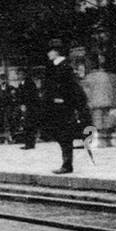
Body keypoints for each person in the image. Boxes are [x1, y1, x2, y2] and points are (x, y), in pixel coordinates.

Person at [43, 41, 90, 174]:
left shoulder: (64, 67)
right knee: (61, 134)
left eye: (50, 51)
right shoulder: (55, 66)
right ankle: (66, 163)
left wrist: (63, 100)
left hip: (64, 107)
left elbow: (71, 88)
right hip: (56, 106)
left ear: (56, 52)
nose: (48, 54)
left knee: (64, 135)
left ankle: (67, 164)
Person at [16, 70, 40, 150]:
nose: (19, 76)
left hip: (31, 108)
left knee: (30, 126)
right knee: (25, 126)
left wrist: (26, 105)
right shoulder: (20, 85)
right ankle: (28, 143)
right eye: (18, 74)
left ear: (24, 75)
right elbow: (19, 96)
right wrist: (21, 105)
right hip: (24, 108)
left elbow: (32, 96)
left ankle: (30, 144)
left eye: (20, 74)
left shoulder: (30, 84)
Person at [0, 75, 15, 144]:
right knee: (0, 123)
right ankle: (1, 138)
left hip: (8, 107)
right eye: (1, 80)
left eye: (4, 79)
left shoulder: (10, 88)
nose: (2, 81)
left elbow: (12, 97)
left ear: (6, 80)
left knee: (8, 122)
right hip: (0, 108)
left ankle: (10, 138)